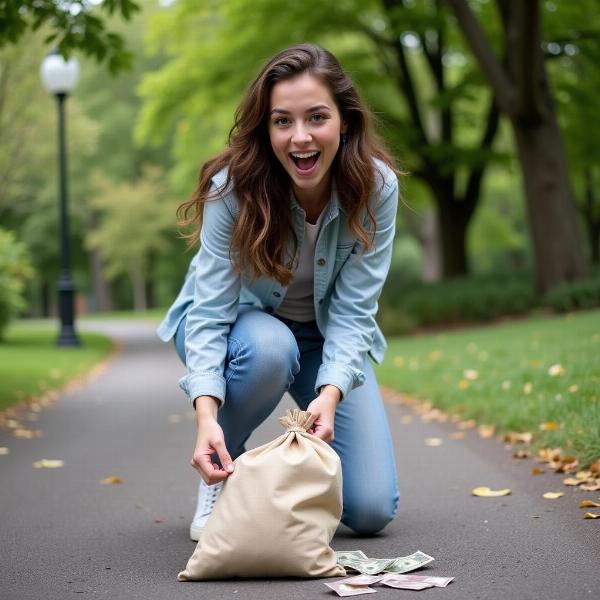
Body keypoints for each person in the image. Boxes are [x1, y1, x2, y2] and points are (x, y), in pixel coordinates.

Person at [157, 43, 401, 541]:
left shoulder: (378, 188)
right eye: (282, 121)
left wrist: (329, 395)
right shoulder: (234, 189)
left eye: (317, 117)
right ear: (266, 130)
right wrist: (207, 417)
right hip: (239, 332)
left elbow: (356, 313)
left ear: (345, 122)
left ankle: (268, 495)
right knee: (271, 347)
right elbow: (209, 314)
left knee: (372, 510)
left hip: (324, 337)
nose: (301, 137)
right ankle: (225, 462)